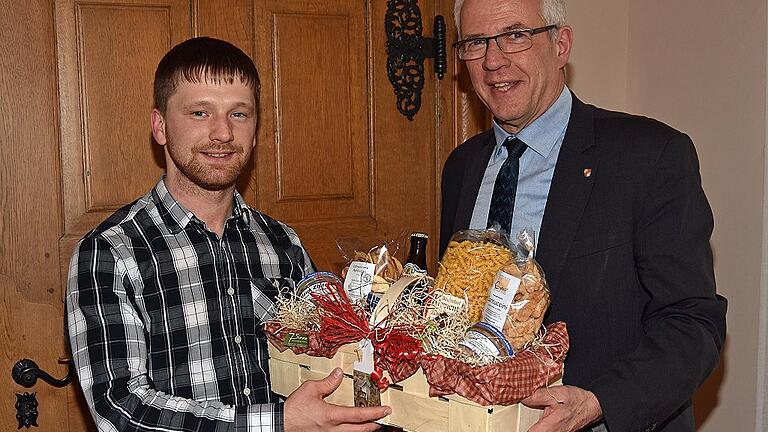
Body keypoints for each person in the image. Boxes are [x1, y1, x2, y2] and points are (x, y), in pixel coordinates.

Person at [66, 37, 390, 432]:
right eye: (200, 112)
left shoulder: (283, 244)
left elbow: (321, 363)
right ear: (160, 126)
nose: (222, 133)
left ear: (255, 132)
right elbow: (122, 410)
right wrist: (275, 423)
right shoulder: (110, 253)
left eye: (239, 114)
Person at [440, 1, 727, 431]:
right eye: (476, 43)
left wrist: (599, 402)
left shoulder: (649, 155)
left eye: (515, 35)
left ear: (561, 44)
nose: (493, 60)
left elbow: (692, 321)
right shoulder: (461, 166)